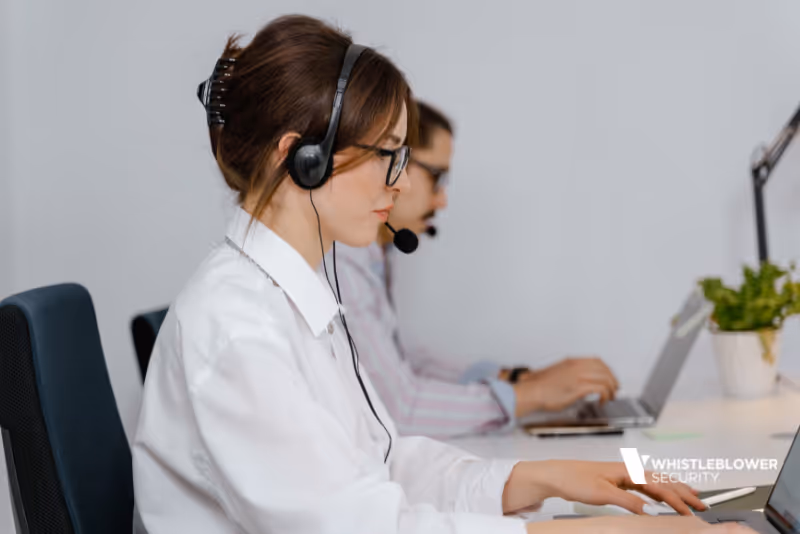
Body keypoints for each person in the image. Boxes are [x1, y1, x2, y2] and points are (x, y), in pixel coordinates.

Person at [132, 14, 751, 534]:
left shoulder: (296, 294)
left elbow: (383, 461)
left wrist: (535, 477)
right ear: (301, 159)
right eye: (386, 157)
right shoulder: (239, 328)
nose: (398, 183)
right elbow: (355, 525)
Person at [333, 102, 621, 438]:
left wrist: (515, 380)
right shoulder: (341, 261)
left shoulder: (374, 254)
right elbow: (400, 410)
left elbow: (402, 362)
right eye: (436, 178)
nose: (442, 201)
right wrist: (531, 395)